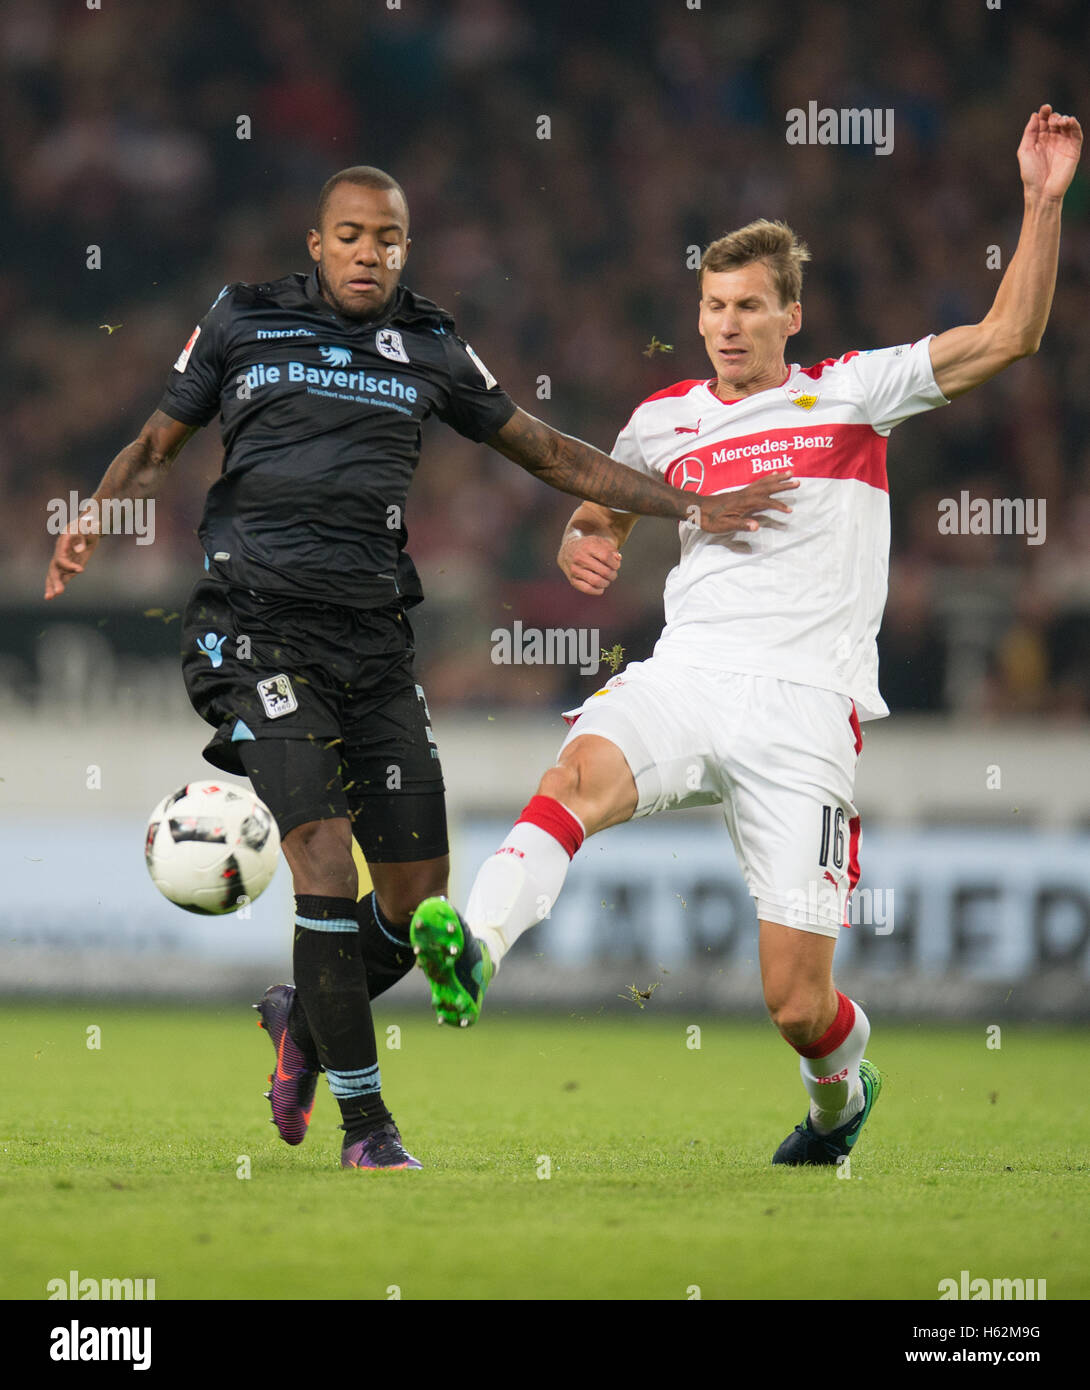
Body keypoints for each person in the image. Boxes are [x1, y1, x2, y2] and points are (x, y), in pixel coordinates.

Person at [44, 165, 795, 1171]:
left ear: (406, 246)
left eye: (387, 239)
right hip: (255, 628)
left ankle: (301, 1021)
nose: (368, 253)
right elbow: (156, 439)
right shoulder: (242, 319)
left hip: (373, 645)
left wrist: (689, 504)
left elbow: (546, 451)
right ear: (316, 243)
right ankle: (368, 1127)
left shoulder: (433, 343)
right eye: (349, 235)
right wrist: (96, 512)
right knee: (318, 847)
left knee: (414, 900)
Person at [410, 106, 1083, 1165]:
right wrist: (585, 541)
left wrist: (1042, 201)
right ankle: (475, 948)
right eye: (713, 305)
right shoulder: (660, 419)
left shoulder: (853, 393)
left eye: (748, 307)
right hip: (688, 676)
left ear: (790, 315)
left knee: (794, 1002)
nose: (726, 324)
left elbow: (1010, 336)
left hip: (806, 710)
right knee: (576, 772)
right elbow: (601, 511)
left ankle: (837, 1099)